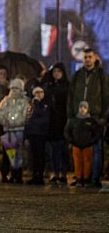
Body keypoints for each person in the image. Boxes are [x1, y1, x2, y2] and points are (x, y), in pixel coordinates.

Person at [67, 48, 108, 188]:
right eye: (85, 57)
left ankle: (95, 178)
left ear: (95, 58)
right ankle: (82, 177)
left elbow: (106, 97)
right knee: (80, 150)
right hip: (79, 119)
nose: (87, 60)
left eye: (90, 57)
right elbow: (71, 96)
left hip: (95, 118)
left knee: (96, 150)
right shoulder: (77, 75)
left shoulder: (102, 75)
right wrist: (70, 116)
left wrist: (103, 117)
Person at [0, 78, 30, 184]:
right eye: (13, 88)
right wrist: (5, 121)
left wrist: (19, 122)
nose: (14, 90)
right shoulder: (6, 101)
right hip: (8, 129)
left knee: (19, 152)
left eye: (17, 88)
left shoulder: (25, 101)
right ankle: (11, 173)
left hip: (19, 129)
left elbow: (26, 114)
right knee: (10, 152)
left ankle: (18, 174)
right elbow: (0, 112)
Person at [63, 101, 103, 187]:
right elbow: (67, 131)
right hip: (76, 145)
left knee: (87, 162)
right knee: (77, 162)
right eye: (81, 107)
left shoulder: (91, 121)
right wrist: (71, 141)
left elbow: (97, 132)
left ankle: (86, 179)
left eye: (84, 107)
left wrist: (91, 141)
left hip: (88, 146)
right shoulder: (73, 120)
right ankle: (78, 178)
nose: (82, 109)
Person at [43, 63, 70, 184]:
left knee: (63, 149)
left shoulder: (67, 86)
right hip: (52, 122)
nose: (57, 73)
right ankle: (54, 172)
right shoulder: (49, 86)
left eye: (59, 71)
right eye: (54, 71)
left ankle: (63, 173)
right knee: (53, 149)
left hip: (64, 120)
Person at [24, 86, 50, 185]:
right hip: (32, 133)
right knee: (33, 156)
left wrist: (38, 104)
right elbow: (28, 119)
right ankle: (35, 175)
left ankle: (40, 175)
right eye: (36, 93)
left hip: (41, 133)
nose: (38, 95)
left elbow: (42, 117)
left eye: (40, 92)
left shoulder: (44, 105)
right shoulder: (31, 105)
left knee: (40, 155)